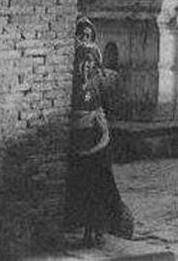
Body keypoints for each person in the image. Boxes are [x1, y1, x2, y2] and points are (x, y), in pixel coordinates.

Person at [65, 18, 134, 246]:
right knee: (82, 184)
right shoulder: (75, 68)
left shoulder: (95, 73)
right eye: (81, 36)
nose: (85, 41)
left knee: (99, 182)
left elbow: (101, 99)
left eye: (88, 36)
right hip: (80, 132)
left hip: (96, 133)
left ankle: (97, 229)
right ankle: (87, 230)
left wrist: (99, 115)